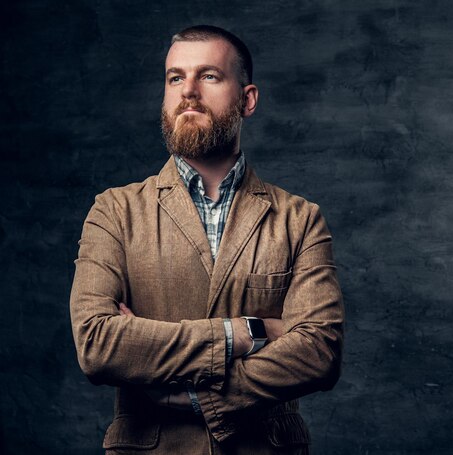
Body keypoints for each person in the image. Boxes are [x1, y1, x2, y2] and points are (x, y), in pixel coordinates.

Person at [69, 25, 344, 455]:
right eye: (175, 78)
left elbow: (319, 353)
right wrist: (244, 333)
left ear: (247, 99)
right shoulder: (114, 212)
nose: (188, 92)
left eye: (209, 76)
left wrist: (198, 396)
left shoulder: (299, 219)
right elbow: (98, 344)